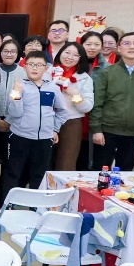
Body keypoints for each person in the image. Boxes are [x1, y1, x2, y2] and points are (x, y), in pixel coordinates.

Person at [90, 32, 134, 172]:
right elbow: (97, 103)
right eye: (127, 43)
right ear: (119, 48)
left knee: (125, 173)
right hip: (107, 131)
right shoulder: (107, 73)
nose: (132, 47)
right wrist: (96, 129)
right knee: (100, 172)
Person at [0, 51, 66, 196]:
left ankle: (36, 204)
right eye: (31, 64)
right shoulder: (19, 86)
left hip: (44, 138)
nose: (35, 68)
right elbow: (14, 113)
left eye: (39, 65)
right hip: (20, 136)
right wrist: (17, 94)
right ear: (25, 67)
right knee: (13, 171)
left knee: (39, 174)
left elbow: (62, 111)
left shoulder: (52, 88)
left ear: (46, 68)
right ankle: (8, 203)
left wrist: (55, 129)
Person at [50, 43, 94, 172]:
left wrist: (76, 95)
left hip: (71, 121)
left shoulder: (84, 78)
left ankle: (63, 185)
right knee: (43, 159)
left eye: (75, 55)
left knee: (66, 162)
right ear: (60, 53)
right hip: (46, 119)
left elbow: (87, 107)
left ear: (81, 58)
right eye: (67, 52)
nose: (70, 57)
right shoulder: (48, 72)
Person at [0, 37, 22, 203]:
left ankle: (4, 197)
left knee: (9, 163)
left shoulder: (23, 73)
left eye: (13, 51)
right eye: (5, 51)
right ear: (0, 53)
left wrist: (9, 119)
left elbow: (22, 99)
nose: (9, 54)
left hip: (14, 123)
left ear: (18, 54)